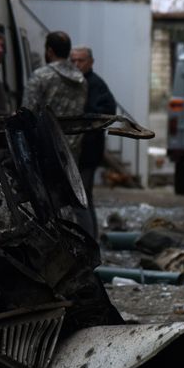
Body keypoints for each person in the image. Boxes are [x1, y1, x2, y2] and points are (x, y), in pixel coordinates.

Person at [70, 45, 118, 236]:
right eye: (73, 60)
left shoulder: (96, 84)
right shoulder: (75, 82)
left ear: (90, 62)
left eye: (80, 60)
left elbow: (107, 112)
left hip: (88, 151)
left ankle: (89, 240)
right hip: (78, 151)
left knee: (82, 198)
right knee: (82, 198)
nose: (76, 64)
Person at [22, 31, 87, 157]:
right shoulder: (82, 80)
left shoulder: (40, 76)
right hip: (72, 152)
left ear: (49, 51)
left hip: (45, 150)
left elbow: (26, 114)